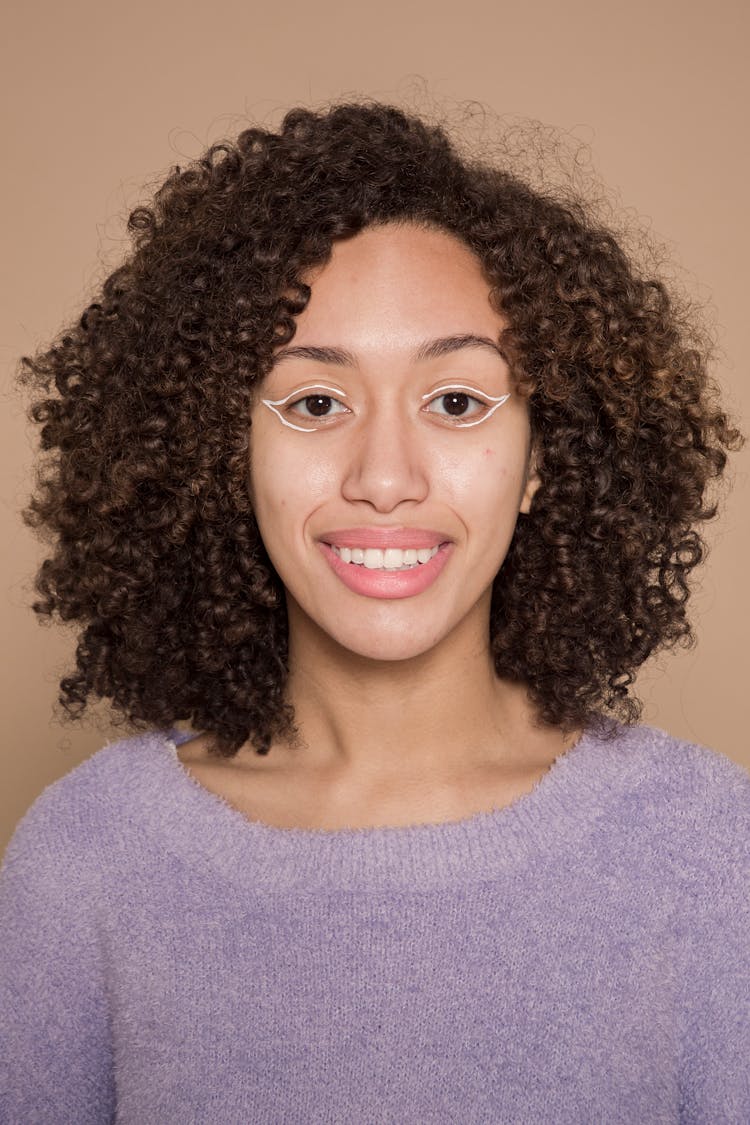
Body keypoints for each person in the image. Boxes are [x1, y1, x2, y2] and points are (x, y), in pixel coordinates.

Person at [1, 99, 748, 1122]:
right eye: (314, 403)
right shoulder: (85, 859)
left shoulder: (710, 852)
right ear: (228, 453)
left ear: (543, 458)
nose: (385, 478)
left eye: (455, 402)